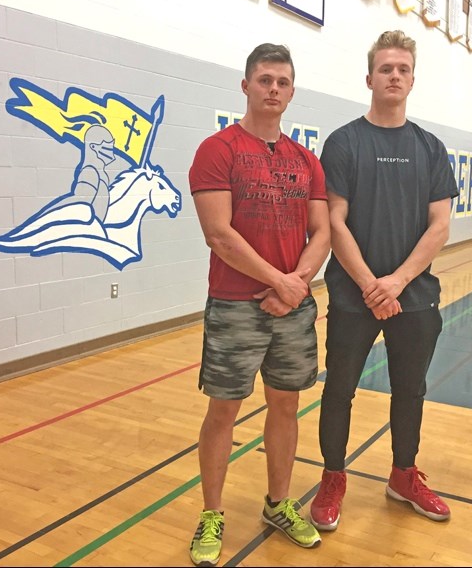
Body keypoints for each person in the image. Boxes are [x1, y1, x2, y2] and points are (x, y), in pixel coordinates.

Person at [309, 30, 460, 531]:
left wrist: (396, 281)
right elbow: (336, 222)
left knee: (410, 391)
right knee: (339, 392)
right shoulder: (345, 142)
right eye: (386, 68)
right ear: (370, 77)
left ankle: (403, 475)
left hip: (413, 298)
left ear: (412, 79)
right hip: (355, 298)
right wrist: (372, 284)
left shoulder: (430, 147)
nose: (394, 76)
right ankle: (333, 477)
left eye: (403, 69)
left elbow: (440, 225)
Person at [188, 43, 330, 566]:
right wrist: (284, 283)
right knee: (223, 409)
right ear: (245, 86)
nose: (273, 89)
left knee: (287, 405)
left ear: (292, 92)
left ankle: (277, 504)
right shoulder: (217, 150)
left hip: (292, 307)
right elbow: (218, 235)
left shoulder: (306, 161)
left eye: (283, 82)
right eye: (264, 79)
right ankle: (211, 514)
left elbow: (323, 232)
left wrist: (296, 282)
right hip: (234, 307)